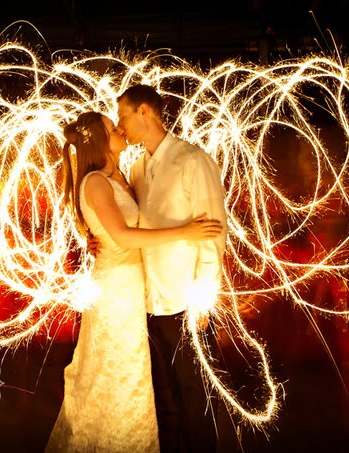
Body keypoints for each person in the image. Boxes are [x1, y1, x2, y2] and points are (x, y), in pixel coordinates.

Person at [44, 111, 223, 453]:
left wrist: (93, 236)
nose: (120, 129)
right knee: (116, 375)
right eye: (113, 128)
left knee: (134, 376)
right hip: (116, 293)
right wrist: (185, 231)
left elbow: (113, 226)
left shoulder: (124, 176)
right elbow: (124, 236)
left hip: (134, 289)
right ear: (100, 140)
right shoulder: (96, 181)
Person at [116, 84, 228, 452]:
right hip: (150, 303)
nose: (120, 125)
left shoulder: (192, 161)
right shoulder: (137, 168)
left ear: (144, 111)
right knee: (166, 404)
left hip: (185, 303)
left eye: (123, 115)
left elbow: (213, 232)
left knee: (197, 401)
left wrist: (203, 299)